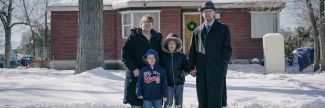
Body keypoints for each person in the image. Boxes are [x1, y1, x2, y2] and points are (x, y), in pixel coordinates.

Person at [188, 1, 232, 108]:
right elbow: (192, 50)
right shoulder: (197, 31)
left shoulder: (223, 28)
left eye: (209, 11)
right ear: (202, 14)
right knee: (202, 98)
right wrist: (190, 68)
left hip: (216, 68)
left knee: (215, 98)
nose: (207, 13)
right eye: (205, 11)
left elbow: (227, 49)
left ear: (214, 13)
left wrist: (223, 64)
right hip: (201, 69)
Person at [122, 15, 163, 108]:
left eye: (149, 23)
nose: (147, 25)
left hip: (152, 75)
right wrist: (134, 68)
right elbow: (125, 56)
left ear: (152, 25)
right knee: (137, 103)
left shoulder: (157, 38)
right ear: (141, 24)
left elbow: (161, 56)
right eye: (145, 22)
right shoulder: (133, 37)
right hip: (136, 75)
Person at [161, 33, 190, 108]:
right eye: (170, 43)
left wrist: (184, 73)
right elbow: (160, 68)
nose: (172, 45)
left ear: (177, 45)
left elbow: (186, 67)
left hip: (179, 83)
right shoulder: (163, 56)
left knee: (179, 102)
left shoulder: (181, 56)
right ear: (167, 44)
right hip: (167, 83)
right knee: (168, 102)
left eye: (174, 43)